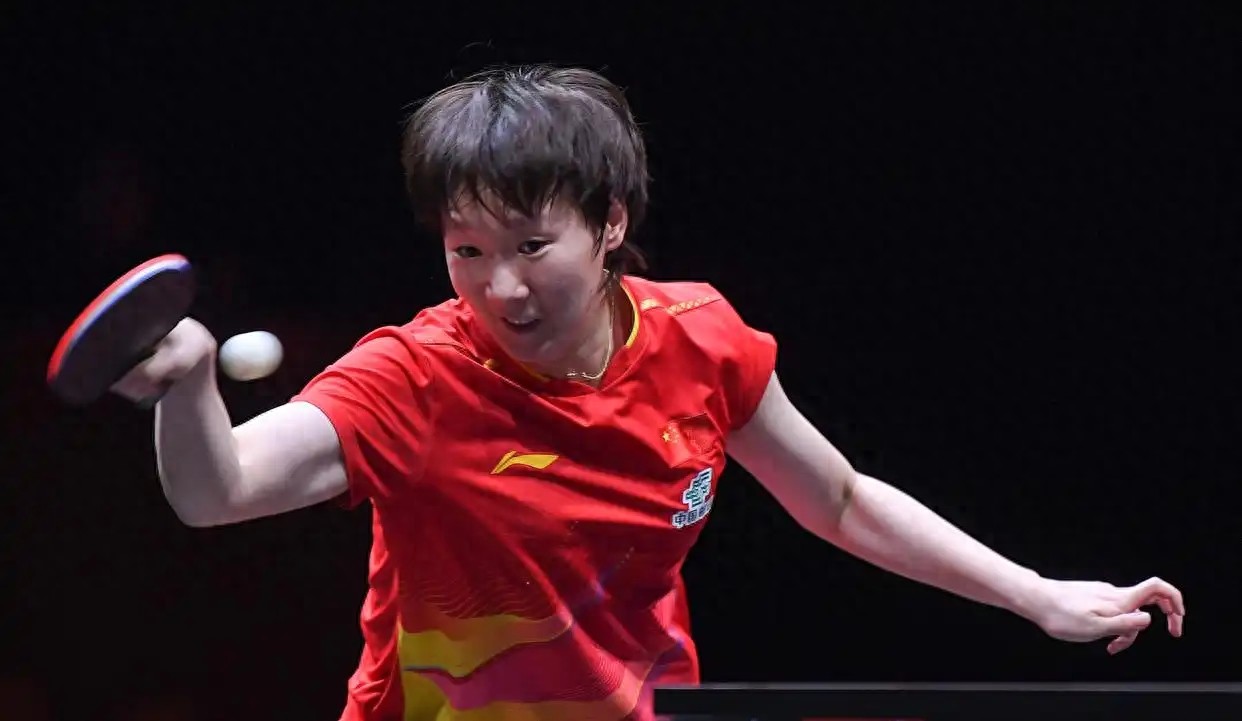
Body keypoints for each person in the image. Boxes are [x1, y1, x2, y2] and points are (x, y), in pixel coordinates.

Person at [114, 65, 1185, 721]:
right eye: (466, 250)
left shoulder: (699, 342)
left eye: (533, 245)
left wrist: (1035, 594)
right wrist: (188, 387)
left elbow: (841, 499)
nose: (500, 286)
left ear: (610, 221)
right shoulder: (413, 377)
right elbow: (220, 490)